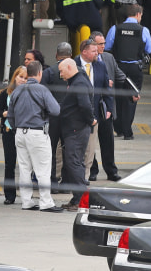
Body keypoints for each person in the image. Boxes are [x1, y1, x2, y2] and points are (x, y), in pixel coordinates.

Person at [7, 60, 63, 212]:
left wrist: (17, 128)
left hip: (20, 133)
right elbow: (55, 110)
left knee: (25, 169)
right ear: (39, 73)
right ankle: (46, 202)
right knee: (43, 169)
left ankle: (26, 201)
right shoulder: (42, 90)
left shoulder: (17, 91)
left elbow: (10, 116)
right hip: (37, 132)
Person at [105, 4, 151, 140]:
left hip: (118, 68)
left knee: (117, 97)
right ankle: (127, 131)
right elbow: (148, 49)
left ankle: (118, 128)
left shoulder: (115, 29)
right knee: (132, 98)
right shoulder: (143, 30)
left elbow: (107, 47)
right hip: (134, 69)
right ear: (138, 14)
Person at [58, 58, 95, 212]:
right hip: (76, 129)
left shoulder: (79, 83)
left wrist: (90, 120)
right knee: (75, 162)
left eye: (61, 71)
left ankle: (81, 199)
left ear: (69, 67)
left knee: (73, 163)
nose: (60, 75)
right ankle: (77, 198)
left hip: (76, 129)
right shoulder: (79, 79)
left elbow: (85, 105)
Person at [75, 39, 115, 182]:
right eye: (93, 51)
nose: (97, 53)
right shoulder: (74, 65)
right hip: (78, 114)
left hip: (96, 113)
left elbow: (106, 89)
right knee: (79, 146)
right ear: (84, 52)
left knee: (92, 146)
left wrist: (109, 108)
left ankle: (88, 174)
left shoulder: (100, 65)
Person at [88, 30, 124, 180]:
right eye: (99, 44)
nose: (103, 46)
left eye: (103, 43)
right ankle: (92, 170)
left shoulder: (108, 58)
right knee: (90, 142)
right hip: (91, 105)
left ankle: (111, 171)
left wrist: (133, 91)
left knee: (107, 140)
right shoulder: (85, 61)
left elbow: (119, 75)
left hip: (105, 106)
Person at [41, 42, 73, 184]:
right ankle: (66, 180)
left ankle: (52, 180)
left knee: (50, 149)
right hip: (71, 116)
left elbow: (42, 93)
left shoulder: (49, 72)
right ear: (71, 56)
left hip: (52, 116)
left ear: (56, 55)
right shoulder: (76, 71)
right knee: (69, 150)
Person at [0, 66, 27, 205]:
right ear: (15, 76)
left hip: (24, 132)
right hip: (9, 131)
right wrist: (8, 113)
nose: (22, 80)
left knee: (25, 164)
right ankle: (9, 195)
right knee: (10, 164)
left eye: (26, 78)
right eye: (20, 77)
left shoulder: (29, 93)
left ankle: (27, 195)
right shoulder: (5, 93)